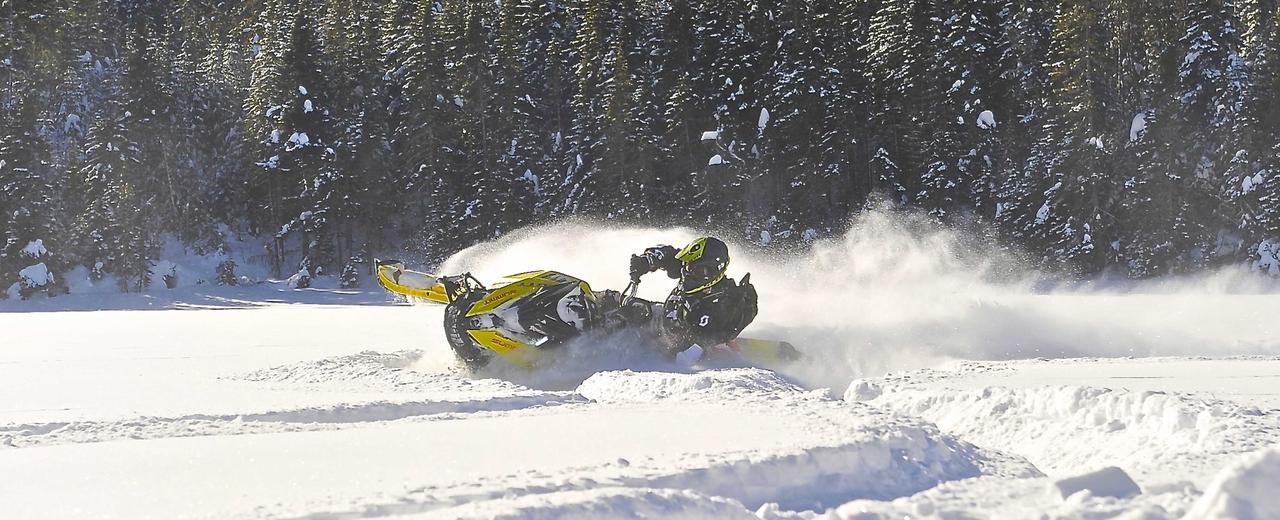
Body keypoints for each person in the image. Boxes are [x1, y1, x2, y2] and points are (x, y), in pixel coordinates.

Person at [618, 236, 758, 362]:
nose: (688, 272)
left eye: (697, 270)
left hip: (661, 340)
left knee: (618, 326)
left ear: (714, 271)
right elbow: (667, 254)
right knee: (610, 300)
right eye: (688, 266)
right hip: (661, 319)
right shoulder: (692, 273)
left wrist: (647, 348)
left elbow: (686, 355)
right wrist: (646, 261)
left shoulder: (715, 308)